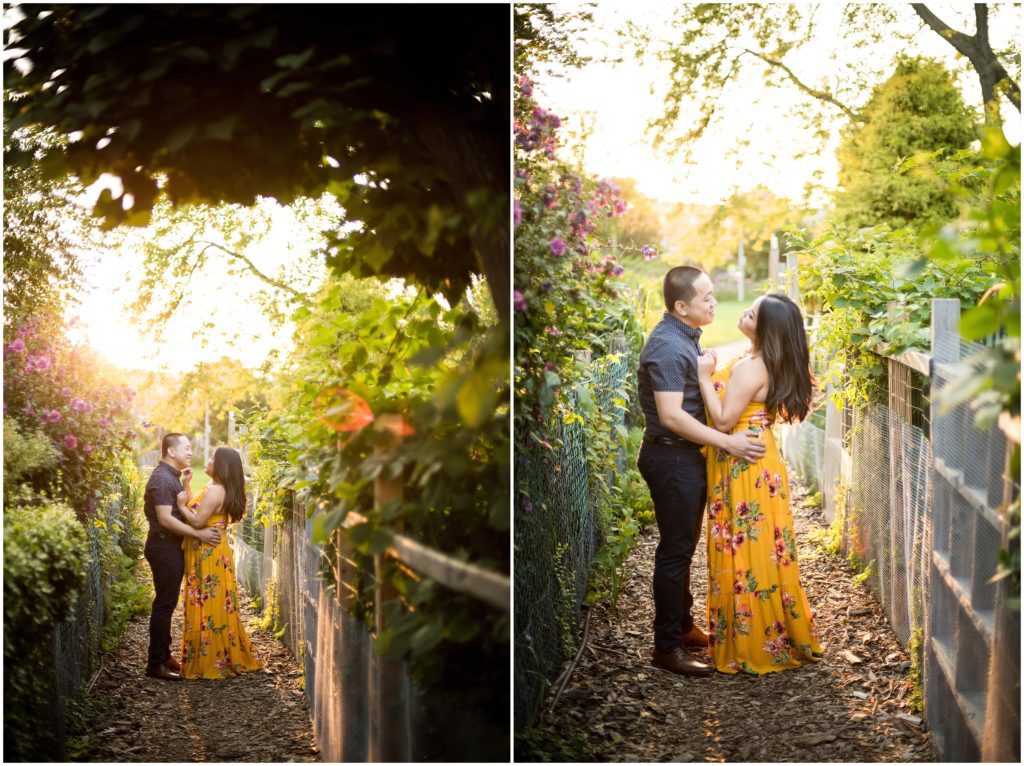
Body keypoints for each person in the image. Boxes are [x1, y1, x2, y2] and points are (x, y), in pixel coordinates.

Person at [636, 266, 767, 677]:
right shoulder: (668, 347)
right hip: (672, 457)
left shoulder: (685, 338)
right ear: (681, 306)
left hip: (686, 457)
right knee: (675, 552)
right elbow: (672, 417)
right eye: (707, 297)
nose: (714, 302)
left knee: (684, 547)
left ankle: (682, 625)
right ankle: (666, 647)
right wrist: (728, 442)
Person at [697, 292, 824, 674]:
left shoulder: (752, 368)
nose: (746, 311)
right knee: (766, 546)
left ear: (767, 329)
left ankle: (751, 643)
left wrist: (704, 377)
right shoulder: (762, 359)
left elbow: (721, 421)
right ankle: (770, 631)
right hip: (758, 458)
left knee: (748, 549)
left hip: (742, 462)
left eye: (754, 313)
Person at [176, 446, 263, 679]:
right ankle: (217, 657)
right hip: (214, 550)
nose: (208, 459)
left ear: (221, 466)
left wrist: (180, 506)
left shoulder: (216, 491)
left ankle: (210, 662)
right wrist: (187, 485)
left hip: (208, 552)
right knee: (215, 602)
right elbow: (200, 509)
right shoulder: (215, 488)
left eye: (213, 457)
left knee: (210, 604)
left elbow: (197, 522)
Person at [143, 433, 222, 681]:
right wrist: (199, 534)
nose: (190, 452)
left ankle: (164, 656)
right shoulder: (163, 479)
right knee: (164, 605)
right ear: (170, 452)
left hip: (169, 547)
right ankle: (155, 664)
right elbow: (166, 519)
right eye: (186, 448)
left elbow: (180, 510)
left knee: (167, 603)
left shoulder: (172, 477)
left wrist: (186, 484)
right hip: (164, 547)